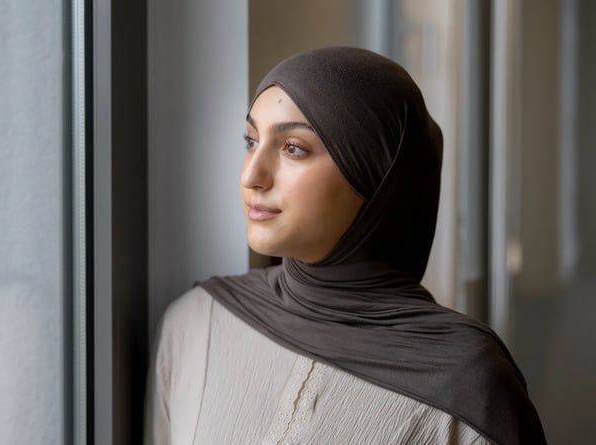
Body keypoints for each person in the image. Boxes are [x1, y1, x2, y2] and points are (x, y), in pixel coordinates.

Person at [145, 47, 545, 445]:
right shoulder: (194, 324)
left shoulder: (471, 388)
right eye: (250, 140)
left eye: (293, 148)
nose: (252, 175)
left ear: (376, 176)